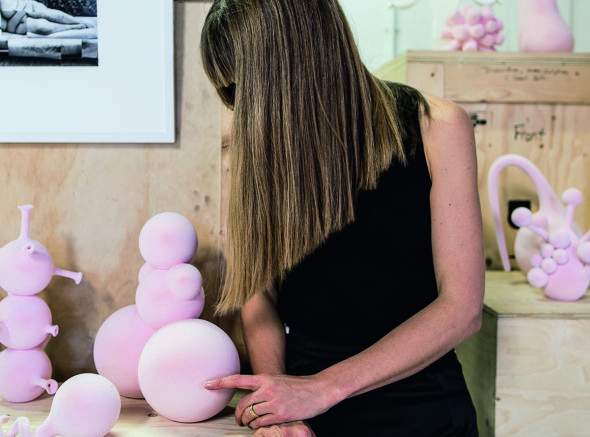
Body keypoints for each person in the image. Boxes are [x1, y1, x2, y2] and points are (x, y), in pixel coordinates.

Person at [200, 1, 485, 436]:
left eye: (248, 88)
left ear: (302, 58)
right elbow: (258, 297)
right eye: (233, 91)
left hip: (422, 403)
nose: (244, 109)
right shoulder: (257, 149)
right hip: (303, 411)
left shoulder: (437, 127)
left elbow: (461, 308)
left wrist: (325, 387)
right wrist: (279, 404)